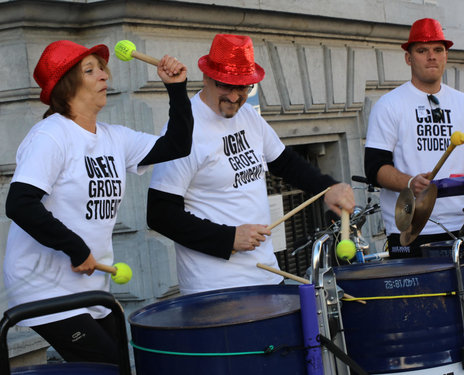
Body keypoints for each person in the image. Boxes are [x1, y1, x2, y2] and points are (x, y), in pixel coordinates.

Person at [3, 40, 192, 364]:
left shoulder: (114, 137)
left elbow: (176, 145)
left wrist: (176, 89)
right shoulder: (50, 137)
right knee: (107, 367)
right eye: (89, 70)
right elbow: (20, 204)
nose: (104, 75)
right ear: (66, 87)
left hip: (91, 286)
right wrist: (76, 248)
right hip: (43, 287)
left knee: (118, 364)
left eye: (102, 68)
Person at [147, 33, 355, 295]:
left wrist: (328, 188)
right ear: (207, 77)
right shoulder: (184, 130)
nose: (235, 97)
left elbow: (285, 162)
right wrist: (228, 238)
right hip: (217, 288)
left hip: (266, 274)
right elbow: (160, 214)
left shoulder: (248, 116)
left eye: (243, 88)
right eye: (226, 86)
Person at [365, 18, 464, 258]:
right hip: (412, 230)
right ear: (409, 58)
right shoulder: (389, 105)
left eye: (438, 50)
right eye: (422, 50)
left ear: (446, 56)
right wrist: (410, 182)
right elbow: (374, 168)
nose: (432, 56)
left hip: (460, 226)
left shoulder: (461, 102)